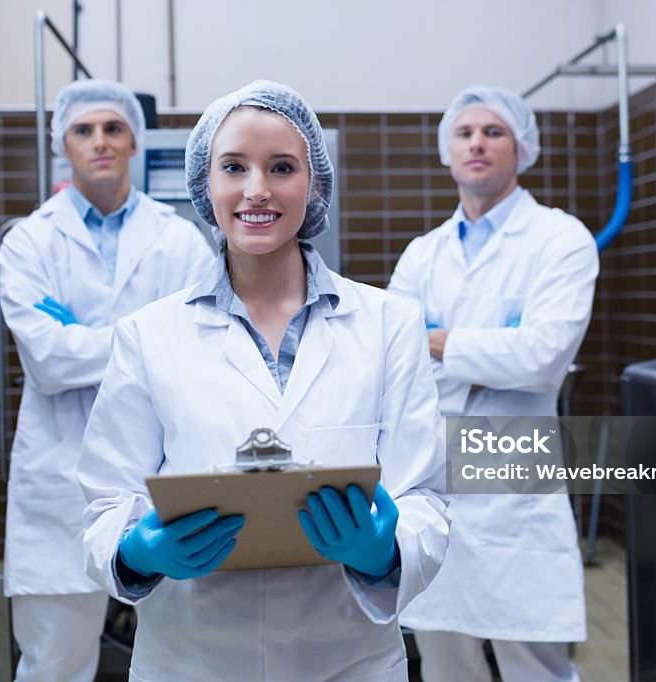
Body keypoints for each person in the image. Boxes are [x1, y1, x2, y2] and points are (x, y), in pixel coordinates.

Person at [78, 80, 449, 681]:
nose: (257, 190)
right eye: (234, 167)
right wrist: (135, 552)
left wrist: (384, 552)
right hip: (193, 658)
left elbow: (424, 496)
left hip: (347, 660)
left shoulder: (388, 324)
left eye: (281, 167)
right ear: (206, 182)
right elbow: (105, 500)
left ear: (315, 183)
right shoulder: (148, 335)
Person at [0, 78, 214, 681]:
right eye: (84, 130)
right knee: (53, 662)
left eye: (113, 128)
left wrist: (83, 333)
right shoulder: (28, 243)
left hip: (164, 467)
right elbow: (47, 360)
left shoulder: (180, 241)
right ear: (61, 143)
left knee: (184, 657)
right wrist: (144, 336)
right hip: (59, 479)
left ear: (133, 141)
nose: (100, 142)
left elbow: (198, 350)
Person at [390, 86, 599, 682]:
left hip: (514, 474)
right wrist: (487, 353)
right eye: (464, 132)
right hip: (434, 472)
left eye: (493, 131)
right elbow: (394, 357)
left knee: (532, 654)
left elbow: (540, 356)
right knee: (443, 653)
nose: (477, 142)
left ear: (523, 148)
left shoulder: (561, 241)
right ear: (447, 150)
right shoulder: (423, 253)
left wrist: (438, 338)